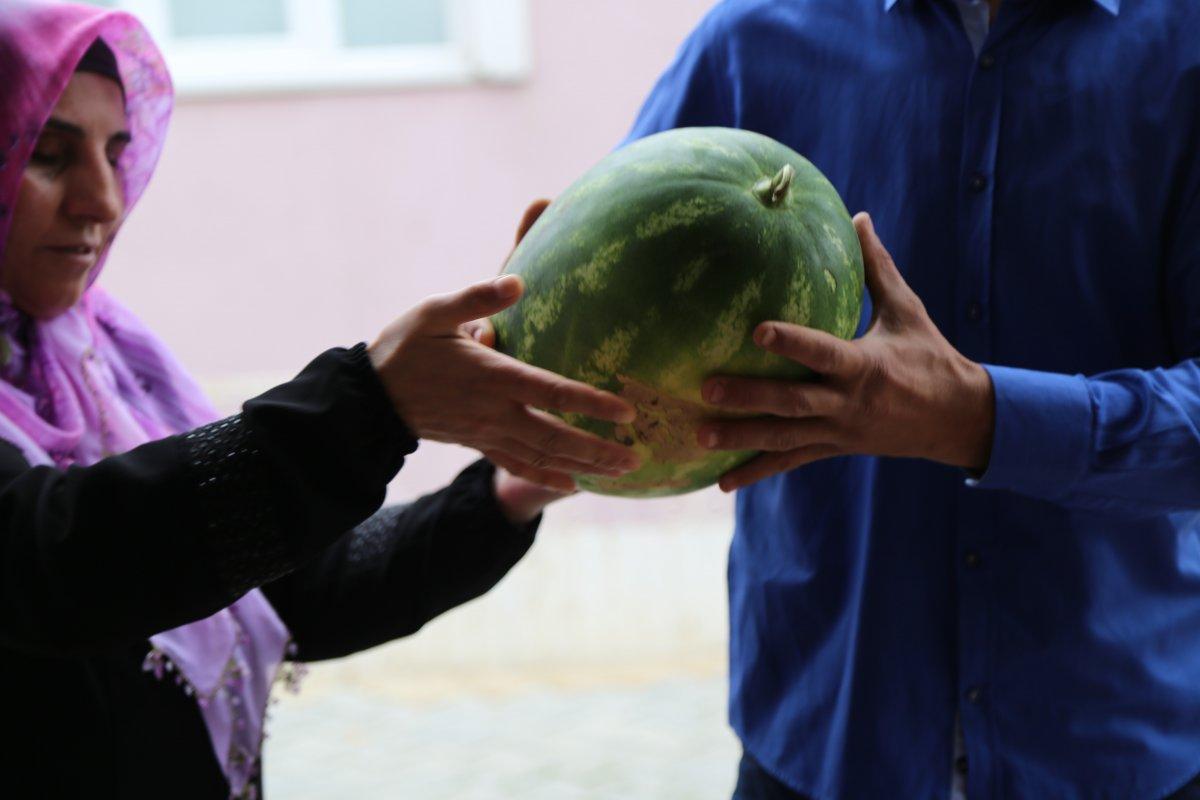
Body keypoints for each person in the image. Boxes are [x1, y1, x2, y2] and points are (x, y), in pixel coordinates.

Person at [0, 3, 641, 798]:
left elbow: (290, 589)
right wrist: (371, 404)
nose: (103, 199)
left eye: (118, 151)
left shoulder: (110, 366)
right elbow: (59, 558)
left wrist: (506, 493)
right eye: (49, 154)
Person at [618, 0, 1200, 798]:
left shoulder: (1186, 46)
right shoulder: (750, 42)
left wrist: (979, 418)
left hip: (1121, 745)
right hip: (820, 739)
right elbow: (615, 297)